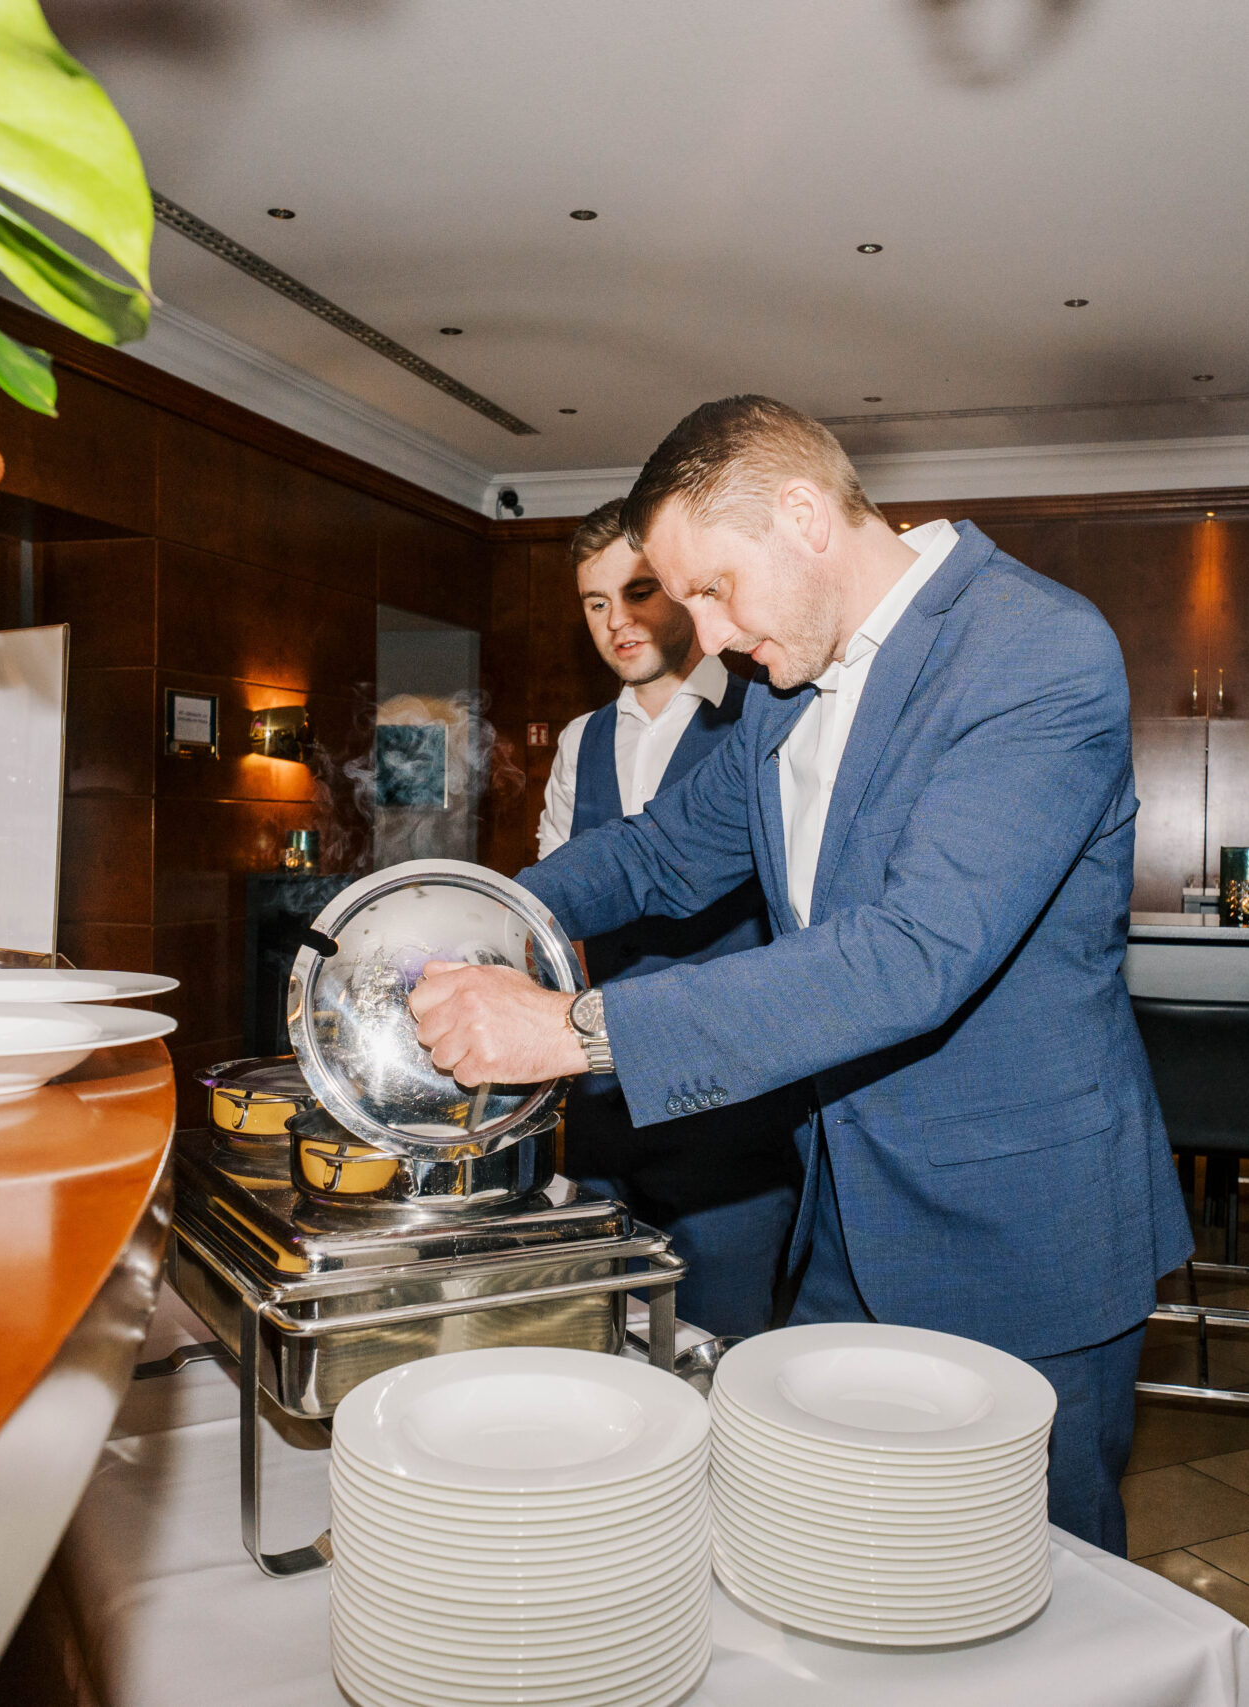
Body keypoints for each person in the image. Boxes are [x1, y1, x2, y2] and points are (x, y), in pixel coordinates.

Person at [412, 396, 1193, 1556]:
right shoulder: (784, 692)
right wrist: (475, 912)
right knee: (830, 1563)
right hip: (843, 1226)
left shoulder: (1033, 649)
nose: (708, 635)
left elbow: (910, 955)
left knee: (1036, 1585)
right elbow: (657, 853)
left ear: (804, 518)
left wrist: (572, 1028)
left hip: (1018, 1235)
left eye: (714, 589)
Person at [532, 500, 802, 1341]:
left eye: (638, 592)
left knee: (720, 1352)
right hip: (602, 1107)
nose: (618, 620)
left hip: (730, 1118)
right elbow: (555, 918)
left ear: (684, 591)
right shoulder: (579, 740)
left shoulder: (765, 715)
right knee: (594, 1343)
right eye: (596, 602)